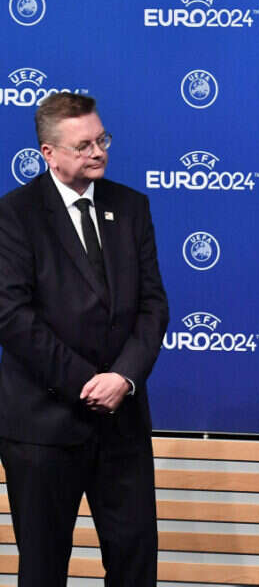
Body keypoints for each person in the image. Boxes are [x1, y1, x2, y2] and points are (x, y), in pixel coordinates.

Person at [0, 93, 169, 585]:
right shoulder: (15, 214)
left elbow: (153, 306)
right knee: (43, 569)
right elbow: (12, 316)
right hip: (44, 427)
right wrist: (88, 383)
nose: (98, 152)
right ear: (48, 153)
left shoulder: (131, 207)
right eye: (83, 146)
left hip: (122, 422)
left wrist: (122, 379)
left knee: (136, 562)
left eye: (102, 140)